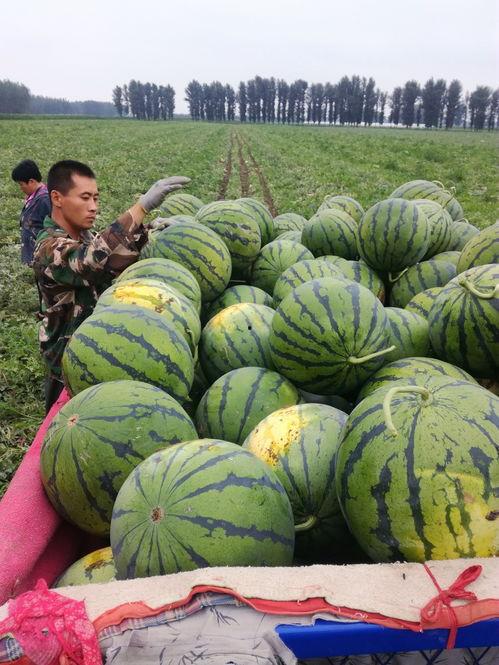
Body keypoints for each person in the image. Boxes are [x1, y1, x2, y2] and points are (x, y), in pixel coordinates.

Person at [33, 159, 190, 413]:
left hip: (104, 348)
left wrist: (149, 231)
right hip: (69, 357)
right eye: (85, 198)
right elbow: (91, 261)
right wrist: (140, 208)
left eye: (96, 198)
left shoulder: (85, 237)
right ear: (57, 198)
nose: (93, 207)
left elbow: (113, 259)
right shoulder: (49, 248)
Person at [11, 160, 51, 265]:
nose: (21, 188)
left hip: (42, 259)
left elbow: (55, 228)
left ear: (31, 181)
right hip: (33, 257)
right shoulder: (34, 197)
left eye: (21, 184)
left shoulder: (44, 200)